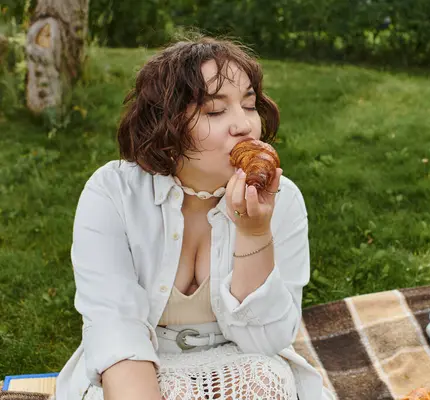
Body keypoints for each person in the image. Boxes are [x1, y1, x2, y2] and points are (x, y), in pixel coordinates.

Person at [55, 35, 332, 400]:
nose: (244, 125)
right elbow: (115, 328)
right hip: (141, 366)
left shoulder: (283, 200)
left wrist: (254, 233)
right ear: (166, 124)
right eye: (215, 111)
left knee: (267, 379)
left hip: (242, 363)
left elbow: (266, 340)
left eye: (249, 106)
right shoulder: (112, 194)